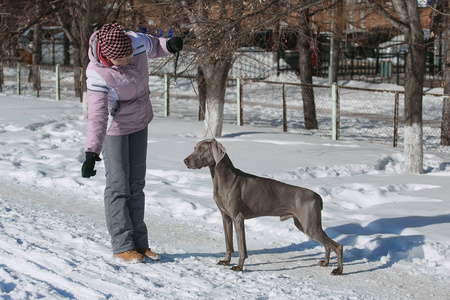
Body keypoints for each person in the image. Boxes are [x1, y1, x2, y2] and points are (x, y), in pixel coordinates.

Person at [81, 23, 183, 263]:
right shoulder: (96, 73)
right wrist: (91, 152)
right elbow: (97, 115)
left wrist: (168, 46)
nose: (128, 59)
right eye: (121, 58)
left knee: (136, 183)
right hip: (114, 128)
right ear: (106, 56)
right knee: (118, 186)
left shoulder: (135, 41)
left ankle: (140, 243)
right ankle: (122, 245)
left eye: (129, 54)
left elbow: (155, 45)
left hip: (140, 121)